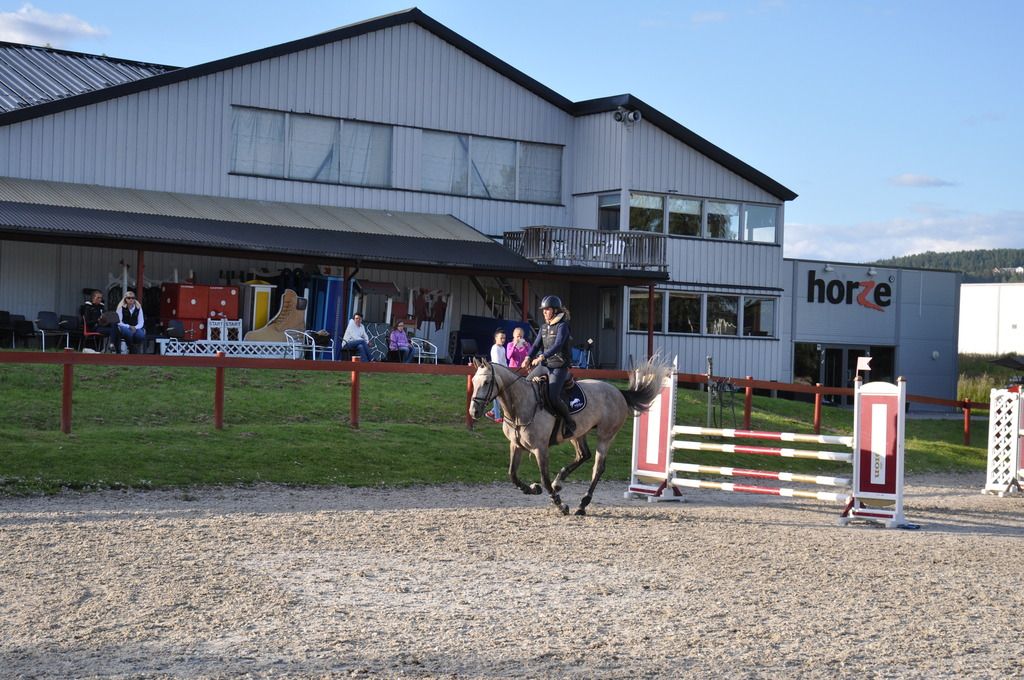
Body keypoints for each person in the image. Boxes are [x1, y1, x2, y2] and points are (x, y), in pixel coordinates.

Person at [527, 295, 576, 436]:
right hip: (545, 365)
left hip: (559, 367)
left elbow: (558, 345)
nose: (544, 312)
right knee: (526, 383)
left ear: (555, 310)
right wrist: (528, 357)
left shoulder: (563, 326)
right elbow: (536, 344)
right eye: (543, 310)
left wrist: (542, 356)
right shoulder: (543, 327)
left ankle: (569, 423)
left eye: (547, 310)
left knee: (553, 396)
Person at [487, 328, 507, 423]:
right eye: (501, 338)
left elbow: (504, 361)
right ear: (496, 338)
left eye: (504, 338)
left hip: (502, 372)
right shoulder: (495, 348)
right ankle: (497, 416)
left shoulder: (503, 348)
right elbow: (497, 362)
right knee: (497, 395)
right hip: (496, 372)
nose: (503, 340)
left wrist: (507, 371)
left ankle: (493, 412)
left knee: (500, 394)